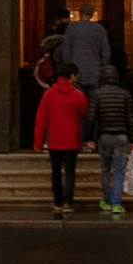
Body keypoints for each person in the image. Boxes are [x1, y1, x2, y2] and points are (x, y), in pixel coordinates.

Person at [33, 60, 88, 216]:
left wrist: (37, 143)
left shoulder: (48, 95)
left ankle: (57, 201)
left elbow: (40, 120)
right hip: (71, 141)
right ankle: (67, 202)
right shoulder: (78, 95)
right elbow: (85, 113)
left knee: (56, 171)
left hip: (54, 141)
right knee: (70, 171)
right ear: (71, 76)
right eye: (75, 76)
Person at [92, 67, 133, 223]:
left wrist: (88, 138)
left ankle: (106, 200)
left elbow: (91, 117)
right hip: (121, 136)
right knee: (118, 170)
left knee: (105, 169)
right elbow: (130, 119)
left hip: (104, 136)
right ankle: (116, 203)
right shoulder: (125, 94)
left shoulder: (97, 94)